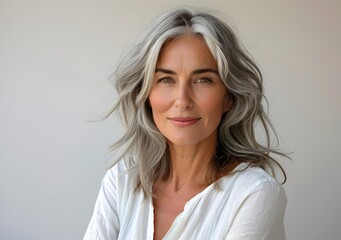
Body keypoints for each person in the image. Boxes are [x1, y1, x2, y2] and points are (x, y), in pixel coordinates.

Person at [84, 7, 288, 240]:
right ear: (146, 94)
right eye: (166, 79)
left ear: (229, 96)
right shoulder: (121, 180)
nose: (182, 100)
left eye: (203, 80)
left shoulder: (255, 194)